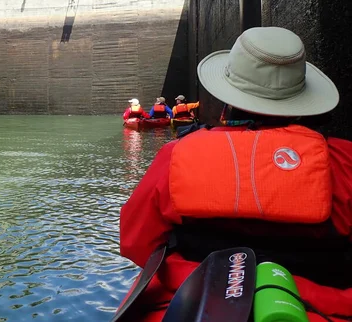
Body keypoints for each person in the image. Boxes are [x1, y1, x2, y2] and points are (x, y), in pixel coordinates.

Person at [118, 27, 352, 320]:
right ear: (302, 99)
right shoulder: (345, 159)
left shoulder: (174, 155)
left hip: (194, 298)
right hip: (323, 304)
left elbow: (135, 242)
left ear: (229, 96)